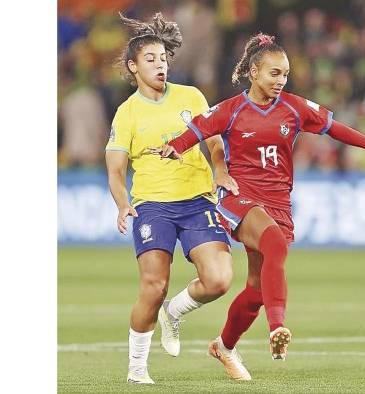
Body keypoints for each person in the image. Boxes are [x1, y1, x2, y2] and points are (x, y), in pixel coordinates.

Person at [151, 33, 365, 381]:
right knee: (274, 244)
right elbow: (198, 128)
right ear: (254, 72)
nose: (281, 80)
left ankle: (224, 346)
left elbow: (335, 129)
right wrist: (175, 147)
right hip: (239, 195)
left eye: (285, 74)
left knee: (256, 288)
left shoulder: (295, 108)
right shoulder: (232, 109)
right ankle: (277, 328)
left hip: (277, 202)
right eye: (274, 73)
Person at [105, 13, 236, 384]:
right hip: (153, 205)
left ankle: (173, 313)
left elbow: (213, 140)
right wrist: (121, 202)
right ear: (133, 66)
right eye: (150, 59)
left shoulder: (191, 96)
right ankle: (136, 370)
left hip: (197, 199)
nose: (160, 64)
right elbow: (115, 168)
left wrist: (221, 169)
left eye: (163, 57)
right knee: (154, 285)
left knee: (219, 279)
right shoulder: (127, 113)